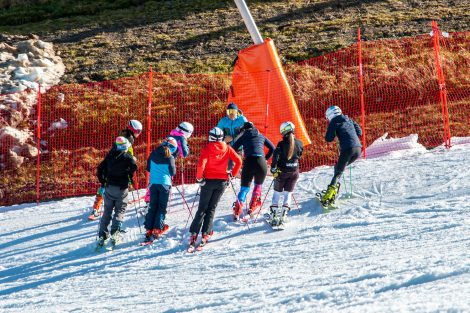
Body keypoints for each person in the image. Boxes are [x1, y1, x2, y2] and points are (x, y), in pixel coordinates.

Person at [188, 127, 242, 249]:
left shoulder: (207, 148)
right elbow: (238, 161)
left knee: (202, 208)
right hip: (222, 182)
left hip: (208, 182)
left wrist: (199, 178)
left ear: (211, 137)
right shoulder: (227, 148)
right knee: (212, 208)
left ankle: (194, 233)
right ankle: (206, 233)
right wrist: (232, 175)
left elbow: (201, 165)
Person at [89, 119, 143, 220]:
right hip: (115, 164)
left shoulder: (124, 134)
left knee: (105, 183)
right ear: (133, 130)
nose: (139, 134)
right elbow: (127, 153)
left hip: (110, 162)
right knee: (107, 184)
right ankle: (97, 208)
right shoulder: (128, 139)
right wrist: (132, 160)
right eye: (138, 131)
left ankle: (97, 207)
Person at [96, 136, 138, 247]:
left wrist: (102, 181)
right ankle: (115, 233)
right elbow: (134, 166)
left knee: (107, 211)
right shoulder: (127, 157)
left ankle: (102, 235)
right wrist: (129, 174)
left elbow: (100, 168)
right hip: (121, 188)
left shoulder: (110, 156)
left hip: (109, 187)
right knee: (120, 210)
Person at [319, 105, 362, 206]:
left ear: (330, 116)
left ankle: (328, 196)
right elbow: (359, 132)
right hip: (358, 149)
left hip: (347, 149)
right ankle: (334, 191)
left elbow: (328, 138)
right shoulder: (349, 119)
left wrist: (336, 133)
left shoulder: (334, 122)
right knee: (338, 168)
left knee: (338, 172)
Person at [231, 121, 275, 220]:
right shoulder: (261, 136)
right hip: (261, 162)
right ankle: (252, 206)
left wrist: (239, 160)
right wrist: (265, 159)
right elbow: (272, 148)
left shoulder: (243, 136)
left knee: (244, 188)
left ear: (244, 130)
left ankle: (237, 210)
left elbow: (233, 148)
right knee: (258, 186)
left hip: (248, 161)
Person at [142, 137, 178, 243]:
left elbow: (148, 168)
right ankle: (157, 228)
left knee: (153, 205)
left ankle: (149, 228)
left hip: (153, 183)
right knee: (161, 207)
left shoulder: (153, 153)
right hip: (164, 184)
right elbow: (173, 172)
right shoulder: (170, 157)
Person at [269, 121, 304, 226]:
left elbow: (275, 157)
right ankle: (284, 213)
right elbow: (299, 154)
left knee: (277, 193)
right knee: (288, 193)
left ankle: (274, 213)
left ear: (283, 132)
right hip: (294, 172)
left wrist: (273, 169)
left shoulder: (281, 144)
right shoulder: (300, 143)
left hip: (282, 172)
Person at [217, 102, 247, 170]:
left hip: (239, 147)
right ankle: (229, 177)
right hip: (227, 147)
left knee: (237, 164)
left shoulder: (242, 119)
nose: (231, 114)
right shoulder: (223, 121)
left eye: (233, 111)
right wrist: (224, 139)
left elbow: (247, 131)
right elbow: (217, 133)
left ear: (236, 112)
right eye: (229, 111)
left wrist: (233, 137)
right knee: (228, 165)